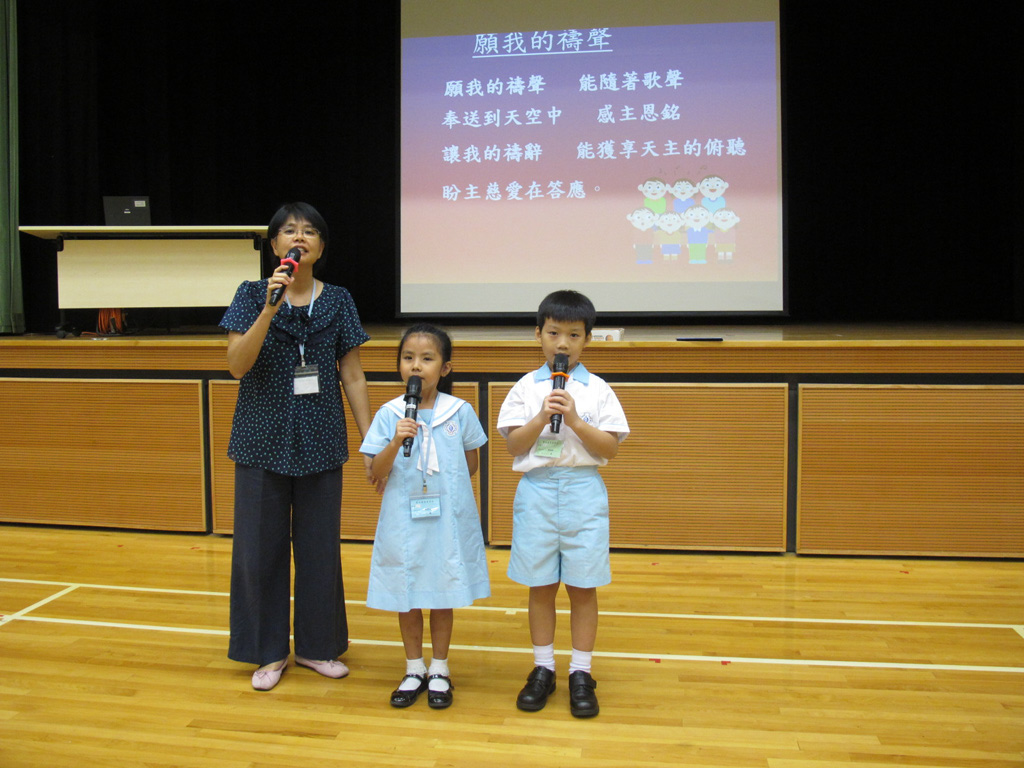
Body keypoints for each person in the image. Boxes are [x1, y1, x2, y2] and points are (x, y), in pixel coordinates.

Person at [220, 202, 374, 691]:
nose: (299, 237)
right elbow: (236, 365)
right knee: (258, 551)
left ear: (321, 247)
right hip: (260, 441)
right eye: (289, 231)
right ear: (274, 245)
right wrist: (270, 307)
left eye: (309, 231)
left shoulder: (339, 300)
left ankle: (316, 645)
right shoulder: (251, 295)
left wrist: (371, 440)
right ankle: (266, 651)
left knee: (319, 550)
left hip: (322, 440)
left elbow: (352, 373)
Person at [497, 290, 629, 718]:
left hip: (583, 491)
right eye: (554, 333)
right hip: (536, 491)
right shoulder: (525, 387)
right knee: (540, 585)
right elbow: (514, 445)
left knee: (582, 585)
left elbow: (609, 449)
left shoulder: (598, 389)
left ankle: (581, 672)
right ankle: (543, 668)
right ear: (538, 334)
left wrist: (572, 419)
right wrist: (542, 416)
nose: (563, 344)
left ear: (588, 339)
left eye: (574, 335)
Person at [359, 324, 490, 709]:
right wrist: (397, 440)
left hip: (446, 519)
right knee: (408, 592)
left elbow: (471, 464)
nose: (416, 366)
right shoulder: (389, 414)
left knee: (442, 589)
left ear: (445, 368)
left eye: (427, 358)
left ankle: (440, 668)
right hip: (404, 520)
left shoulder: (459, 411)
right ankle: (414, 667)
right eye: (408, 358)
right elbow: (376, 471)